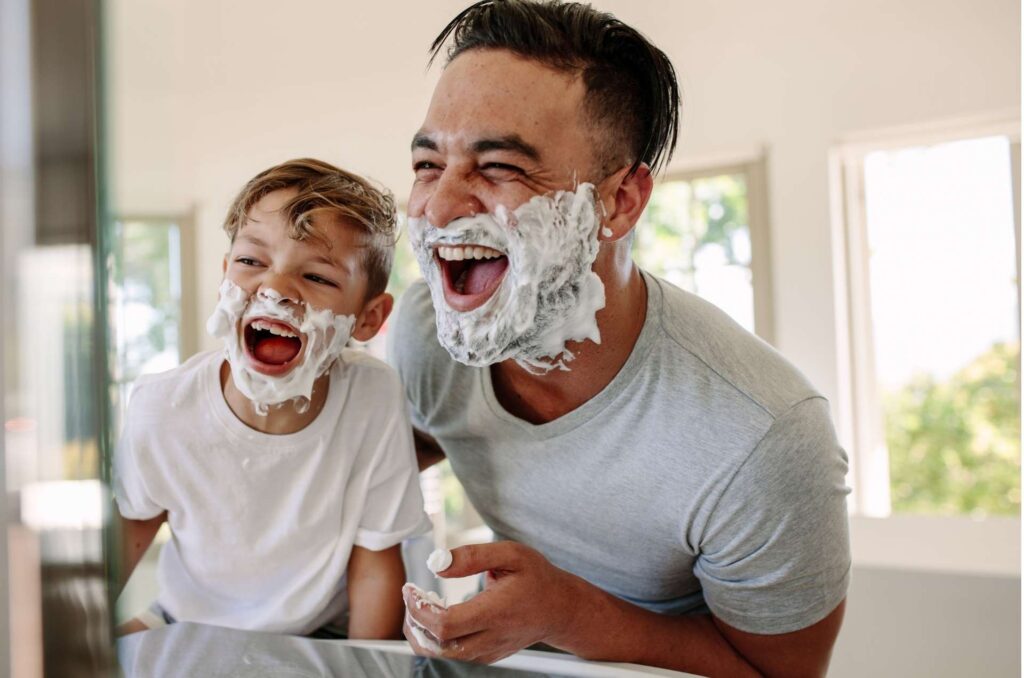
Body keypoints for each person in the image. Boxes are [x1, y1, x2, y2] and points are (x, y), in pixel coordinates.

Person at [389, 1, 851, 675]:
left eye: (500, 168)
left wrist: (567, 615)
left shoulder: (763, 437)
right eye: (429, 164)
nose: (437, 206)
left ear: (620, 201)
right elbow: (380, 456)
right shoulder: (427, 336)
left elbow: (782, 674)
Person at [113, 158, 431, 638]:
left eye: (318, 277)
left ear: (368, 318)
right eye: (250, 262)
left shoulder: (372, 397)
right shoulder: (161, 409)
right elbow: (120, 547)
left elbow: (374, 567)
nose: (276, 289)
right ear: (225, 277)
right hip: (187, 622)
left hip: (320, 633)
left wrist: (368, 667)